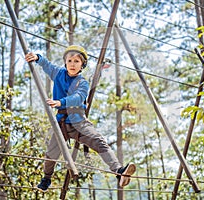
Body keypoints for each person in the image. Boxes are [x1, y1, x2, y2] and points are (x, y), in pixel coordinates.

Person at [25, 45, 136, 191]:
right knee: (51, 154)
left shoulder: (82, 82)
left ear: (82, 65)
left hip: (78, 122)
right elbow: (47, 65)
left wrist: (61, 102)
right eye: (69, 60)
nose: (72, 64)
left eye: (76, 61)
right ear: (65, 62)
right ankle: (46, 178)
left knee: (99, 142)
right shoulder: (58, 74)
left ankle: (119, 171)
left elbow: (78, 98)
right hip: (62, 124)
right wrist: (38, 57)